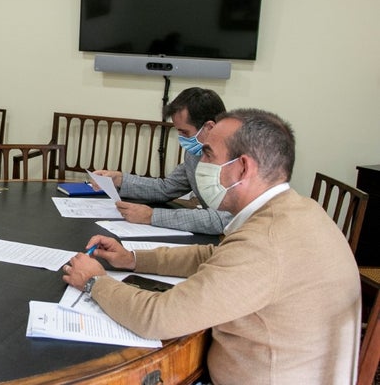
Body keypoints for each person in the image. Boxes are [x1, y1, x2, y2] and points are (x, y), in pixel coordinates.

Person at [62, 109, 361, 384]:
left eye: (207, 154)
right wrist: (132, 259)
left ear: (242, 168)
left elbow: (160, 318)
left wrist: (94, 282)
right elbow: (215, 256)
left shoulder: (265, 244)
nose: (199, 164)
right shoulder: (297, 210)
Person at [95, 87, 232, 235]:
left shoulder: (237, 161)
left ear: (210, 127)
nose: (180, 137)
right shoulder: (195, 153)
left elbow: (223, 219)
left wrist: (152, 216)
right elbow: (167, 188)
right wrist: (120, 179)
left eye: (184, 132)